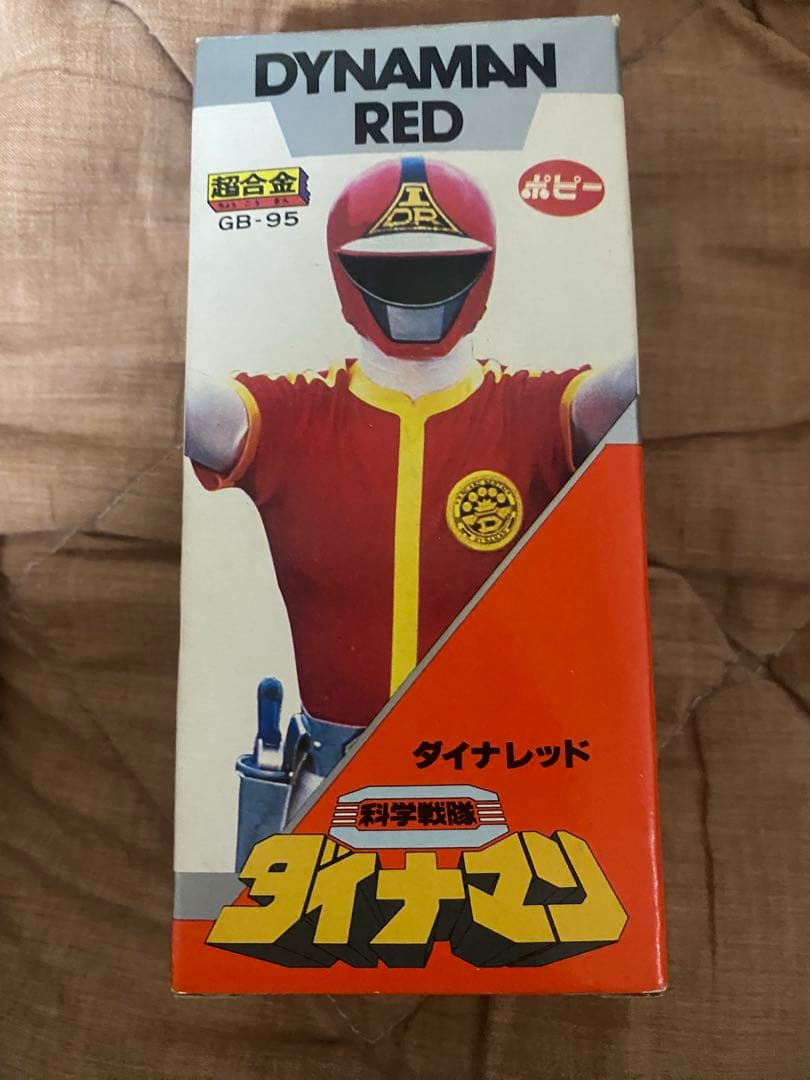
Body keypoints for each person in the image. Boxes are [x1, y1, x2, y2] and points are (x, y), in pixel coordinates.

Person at [186, 156, 635, 833]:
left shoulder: (542, 413)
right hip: (331, 777)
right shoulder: (288, 418)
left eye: (439, 270)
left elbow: (623, 392)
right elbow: (187, 403)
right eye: (392, 272)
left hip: (500, 774)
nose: (416, 300)